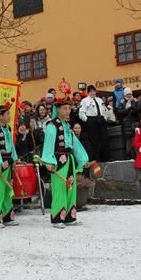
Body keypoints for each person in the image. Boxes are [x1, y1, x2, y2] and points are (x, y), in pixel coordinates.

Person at [42, 97, 89, 228]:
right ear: (58, 110)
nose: (68, 111)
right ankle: (57, 218)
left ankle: (69, 217)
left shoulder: (67, 126)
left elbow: (75, 144)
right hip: (58, 160)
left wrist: (83, 159)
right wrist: (49, 160)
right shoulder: (52, 125)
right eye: (65, 108)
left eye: (69, 108)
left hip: (69, 159)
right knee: (60, 189)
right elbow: (49, 144)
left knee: (70, 187)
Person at [79, 85, 109, 162]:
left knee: (104, 140)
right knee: (94, 141)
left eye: (94, 91)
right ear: (88, 92)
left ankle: (105, 159)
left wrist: (105, 118)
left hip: (101, 120)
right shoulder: (84, 100)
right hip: (91, 121)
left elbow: (105, 110)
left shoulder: (99, 100)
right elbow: (81, 113)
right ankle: (97, 160)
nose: (93, 93)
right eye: (91, 91)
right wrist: (87, 120)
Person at [116, 87, 141, 158]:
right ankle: (129, 155)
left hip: (135, 122)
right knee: (128, 140)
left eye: (130, 94)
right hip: (126, 124)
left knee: (136, 139)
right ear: (124, 95)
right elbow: (119, 112)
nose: (129, 95)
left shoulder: (135, 101)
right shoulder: (122, 102)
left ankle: (137, 155)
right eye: (127, 94)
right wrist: (127, 110)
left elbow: (139, 109)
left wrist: (134, 110)